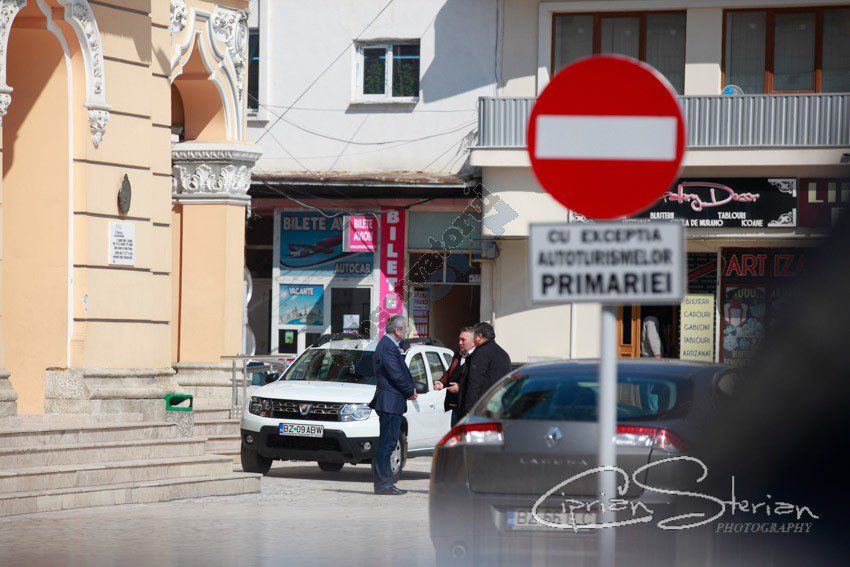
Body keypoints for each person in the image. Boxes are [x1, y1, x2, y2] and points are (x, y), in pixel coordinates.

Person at [369, 314, 417, 496]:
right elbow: (395, 374)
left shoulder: (390, 346)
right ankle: (383, 485)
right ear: (397, 330)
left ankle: (386, 484)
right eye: (405, 329)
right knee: (387, 445)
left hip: (392, 402)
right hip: (389, 401)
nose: (406, 332)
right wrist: (409, 391)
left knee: (388, 443)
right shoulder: (387, 347)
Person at [457, 322, 512, 418]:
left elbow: (474, 382)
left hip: (481, 406)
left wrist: (469, 407)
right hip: (498, 405)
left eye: (474, 336)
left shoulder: (481, 352)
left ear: (479, 336)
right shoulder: (503, 353)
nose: (473, 339)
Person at [433, 327, 476, 426]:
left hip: (469, 408)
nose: (460, 343)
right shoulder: (458, 355)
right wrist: (442, 382)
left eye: (463, 340)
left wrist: (460, 387)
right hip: (455, 406)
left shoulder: (477, 357)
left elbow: (477, 381)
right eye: (459, 339)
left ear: (473, 342)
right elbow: (451, 371)